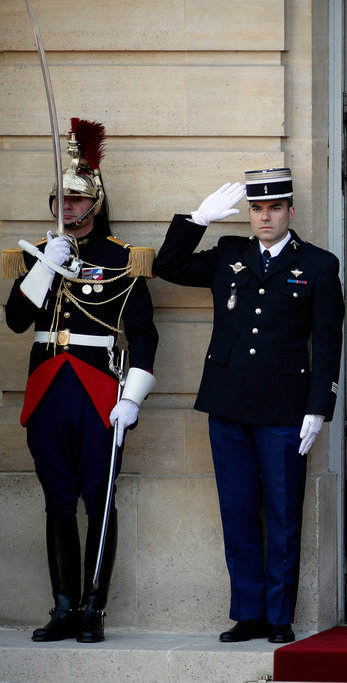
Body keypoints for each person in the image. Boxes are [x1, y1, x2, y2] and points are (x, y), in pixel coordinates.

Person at [152, 168, 343, 644]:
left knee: (281, 515)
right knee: (237, 513)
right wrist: (197, 219)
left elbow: (328, 344)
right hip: (229, 403)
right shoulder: (228, 255)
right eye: (256, 209)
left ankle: (280, 616)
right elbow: (168, 267)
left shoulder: (318, 265)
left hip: (284, 410)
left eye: (274, 208)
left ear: (290, 212)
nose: (264, 217)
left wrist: (318, 408)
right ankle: (248, 613)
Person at [2, 118, 158, 643]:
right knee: (58, 501)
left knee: (99, 500)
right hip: (48, 390)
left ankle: (93, 609)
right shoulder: (36, 256)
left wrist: (131, 399)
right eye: (60, 199)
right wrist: (47, 265)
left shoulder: (121, 259)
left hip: (98, 393)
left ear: (95, 203)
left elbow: (145, 336)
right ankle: (63, 607)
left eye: (75, 200)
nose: (66, 208)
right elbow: (17, 321)